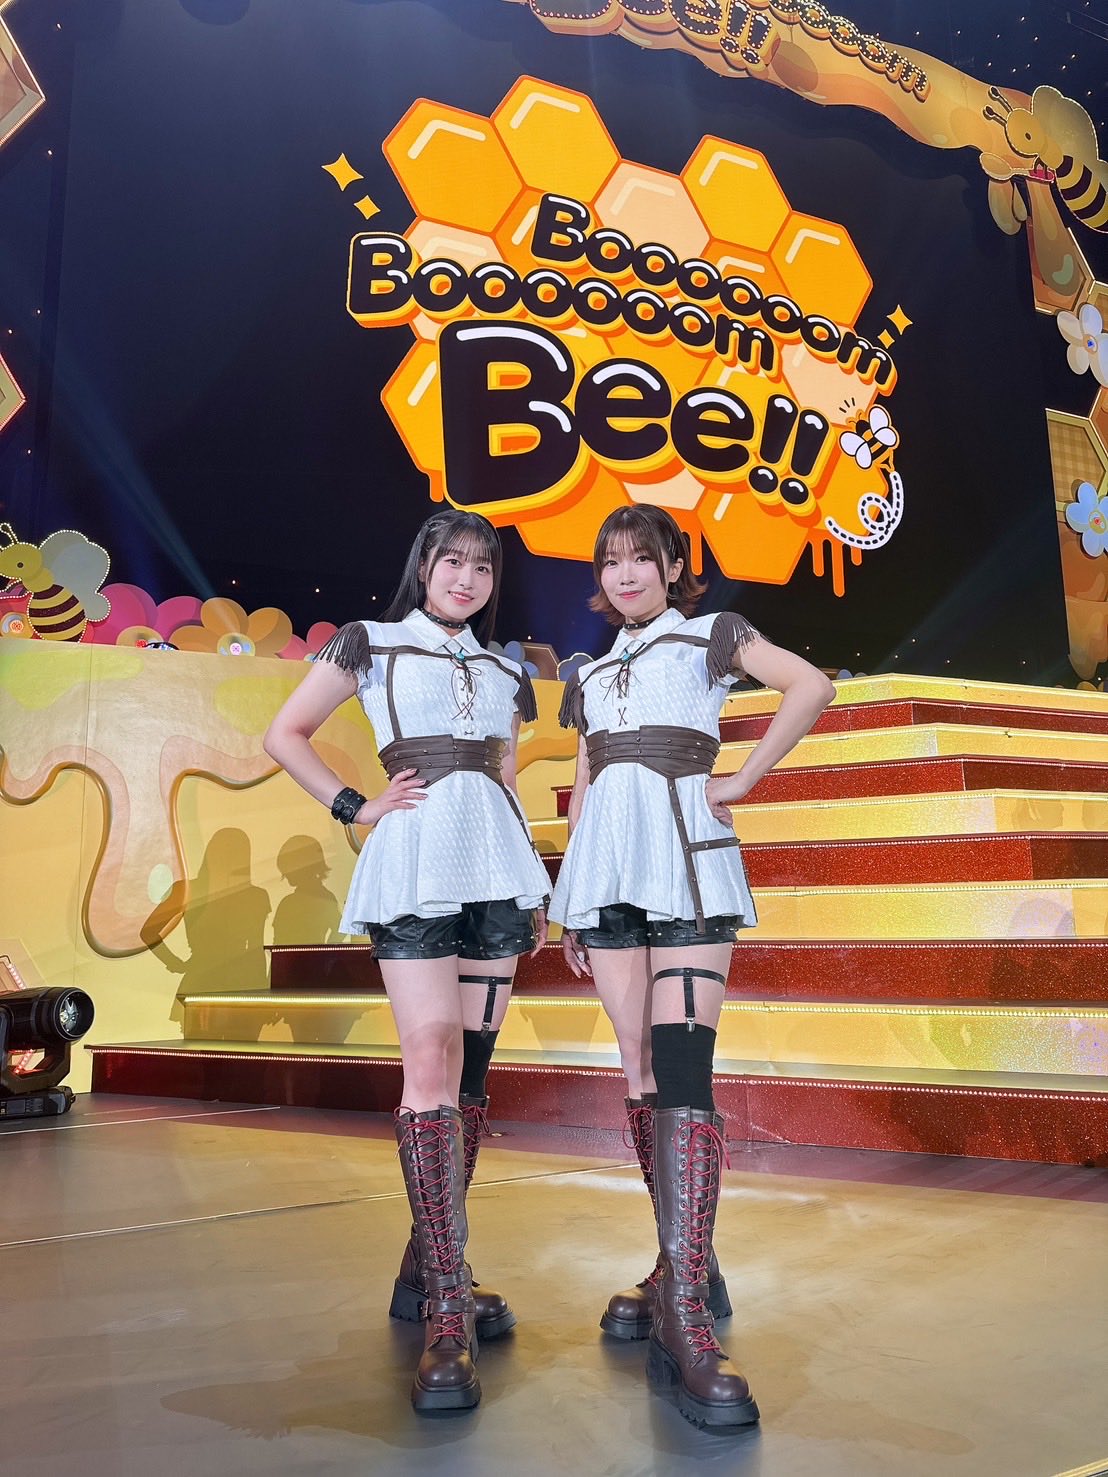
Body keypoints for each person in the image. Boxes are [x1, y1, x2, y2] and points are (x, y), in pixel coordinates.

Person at [551, 505, 835, 1430]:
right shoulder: (590, 673)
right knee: (638, 1070)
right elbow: (586, 780)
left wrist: (744, 778)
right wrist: (570, 895)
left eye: (644, 557)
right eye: (612, 560)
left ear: (675, 565)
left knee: (682, 1069)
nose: (627, 572)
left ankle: (684, 1311)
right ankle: (687, 1263)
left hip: (688, 864)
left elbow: (810, 685)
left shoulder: (712, 635)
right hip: (609, 876)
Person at [263, 509, 550, 1415]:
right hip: (416, 863)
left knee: (472, 1078)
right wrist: (355, 804)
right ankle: (447, 1304)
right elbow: (285, 733)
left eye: (482, 567)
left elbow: (506, 777)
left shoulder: (505, 670)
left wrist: (535, 882)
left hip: (496, 870)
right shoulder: (370, 643)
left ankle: (424, 1269)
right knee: (430, 1057)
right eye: (451, 561)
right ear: (423, 566)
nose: (466, 578)